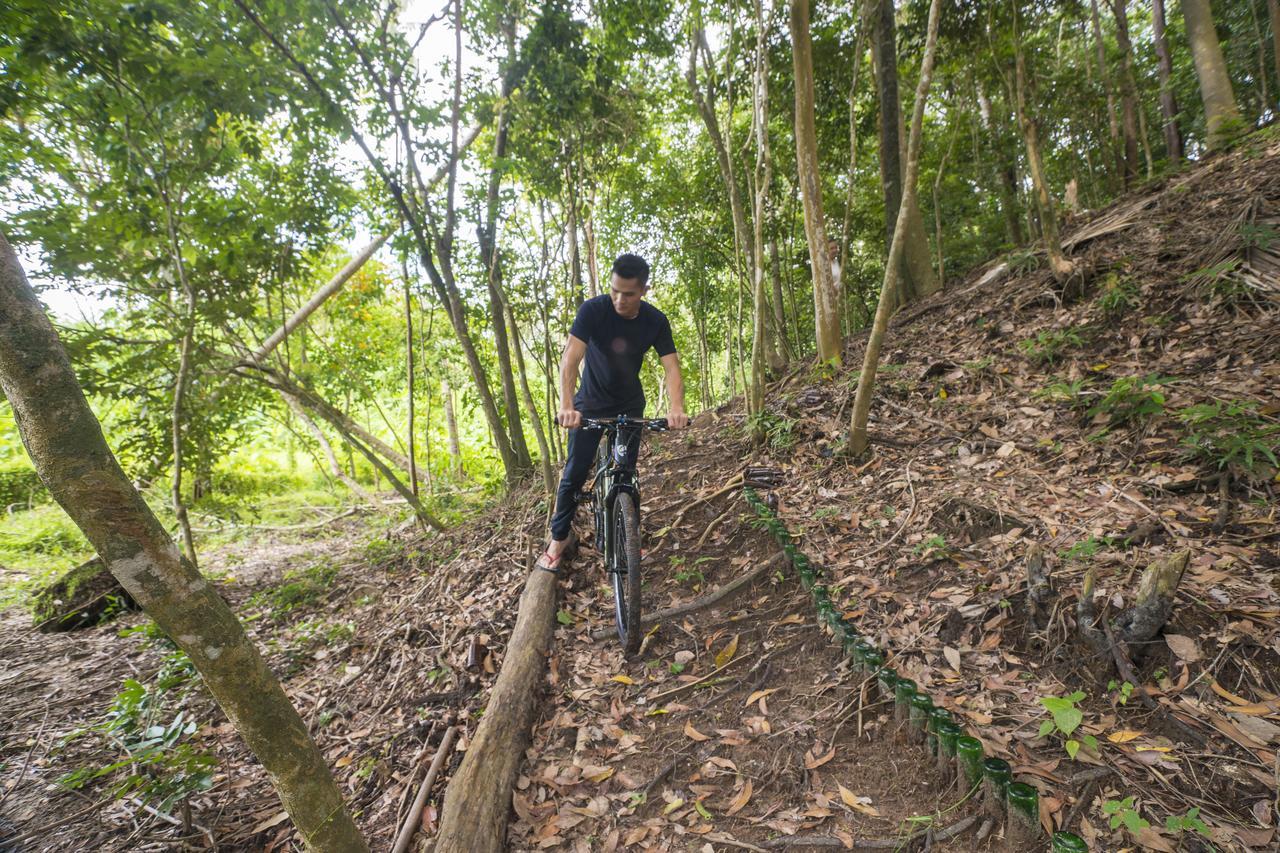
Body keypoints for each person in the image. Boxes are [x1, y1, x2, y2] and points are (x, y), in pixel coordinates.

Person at [536, 253, 689, 572]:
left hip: (629, 405)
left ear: (644, 290)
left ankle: (629, 536)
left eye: (629, 293)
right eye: (615, 290)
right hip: (589, 404)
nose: (620, 299)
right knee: (575, 472)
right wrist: (567, 406)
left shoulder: (655, 320)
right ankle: (558, 538)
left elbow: (671, 367)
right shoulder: (593, 310)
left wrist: (677, 408)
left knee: (626, 474)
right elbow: (570, 359)